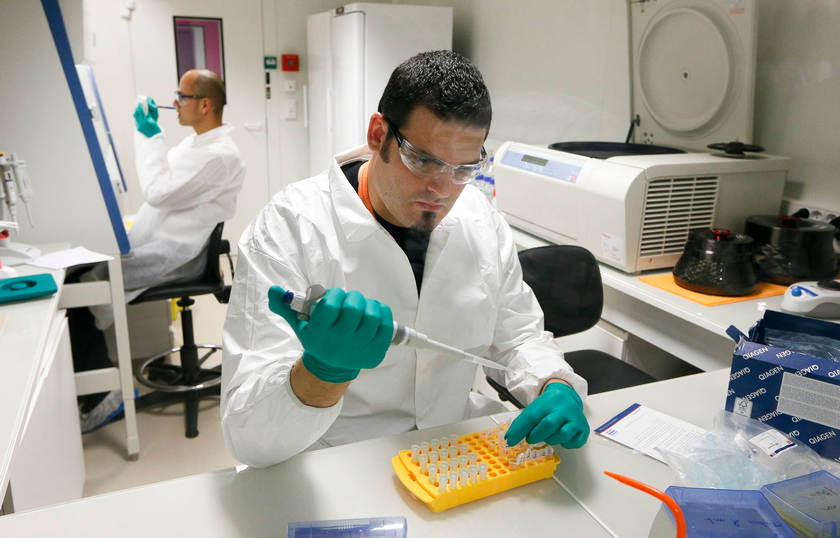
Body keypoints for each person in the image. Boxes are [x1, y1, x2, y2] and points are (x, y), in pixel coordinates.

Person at [221, 51, 588, 468]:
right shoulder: (291, 228)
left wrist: (553, 383)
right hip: (336, 461)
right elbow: (247, 437)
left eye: (463, 169)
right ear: (378, 134)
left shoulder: (480, 219)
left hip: (452, 452)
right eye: (424, 160)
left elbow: (518, 337)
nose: (441, 189)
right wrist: (321, 372)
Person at [69, 68, 246, 432]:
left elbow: (158, 191)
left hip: (180, 259)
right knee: (81, 275)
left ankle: (100, 399)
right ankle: (97, 385)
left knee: (82, 285)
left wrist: (147, 135)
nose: (174, 103)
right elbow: (168, 185)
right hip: (163, 244)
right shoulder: (197, 144)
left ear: (205, 104)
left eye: (182, 97)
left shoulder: (220, 156)